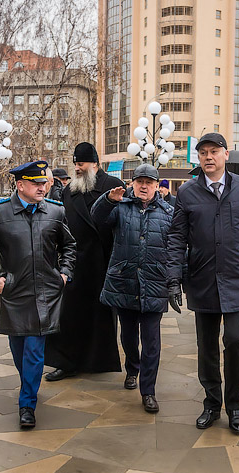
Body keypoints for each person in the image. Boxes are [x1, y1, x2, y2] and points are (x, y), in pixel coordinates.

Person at [166, 133, 239, 433]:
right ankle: (211, 404)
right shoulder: (187, 192)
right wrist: (173, 279)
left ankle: (234, 406)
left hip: (238, 279)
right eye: (203, 153)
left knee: (236, 340)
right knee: (206, 347)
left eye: (214, 151)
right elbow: (176, 238)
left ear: (226, 154)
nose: (208, 157)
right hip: (203, 280)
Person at [0, 160, 76, 428]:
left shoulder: (55, 212)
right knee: (19, 348)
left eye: (44, 183)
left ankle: (27, 404)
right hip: (14, 292)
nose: (43, 187)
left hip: (47, 293)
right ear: (20, 185)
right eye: (37, 183)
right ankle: (29, 383)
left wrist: (63, 274)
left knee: (35, 350)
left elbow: (70, 246)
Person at [91, 164, 174, 413]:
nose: (144, 186)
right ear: (132, 184)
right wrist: (107, 200)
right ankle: (132, 368)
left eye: (149, 182)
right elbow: (96, 219)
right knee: (128, 336)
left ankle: (148, 390)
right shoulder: (121, 208)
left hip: (154, 283)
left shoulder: (169, 212)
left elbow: (177, 250)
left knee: (152, 341)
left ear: (157, 185)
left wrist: (175, 281)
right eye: (140, 182)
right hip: (124, 281)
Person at [44, 142, 125, 380]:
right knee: (69, 315)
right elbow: (63, 225)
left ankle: (97, 361)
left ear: (95, 164)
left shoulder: (114, 186)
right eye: (76, 164)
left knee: (100, 317)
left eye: (81, 164)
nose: (77, 168)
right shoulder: (70, 190)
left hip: (103, 263)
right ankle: (67, 362)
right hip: (76, 263)